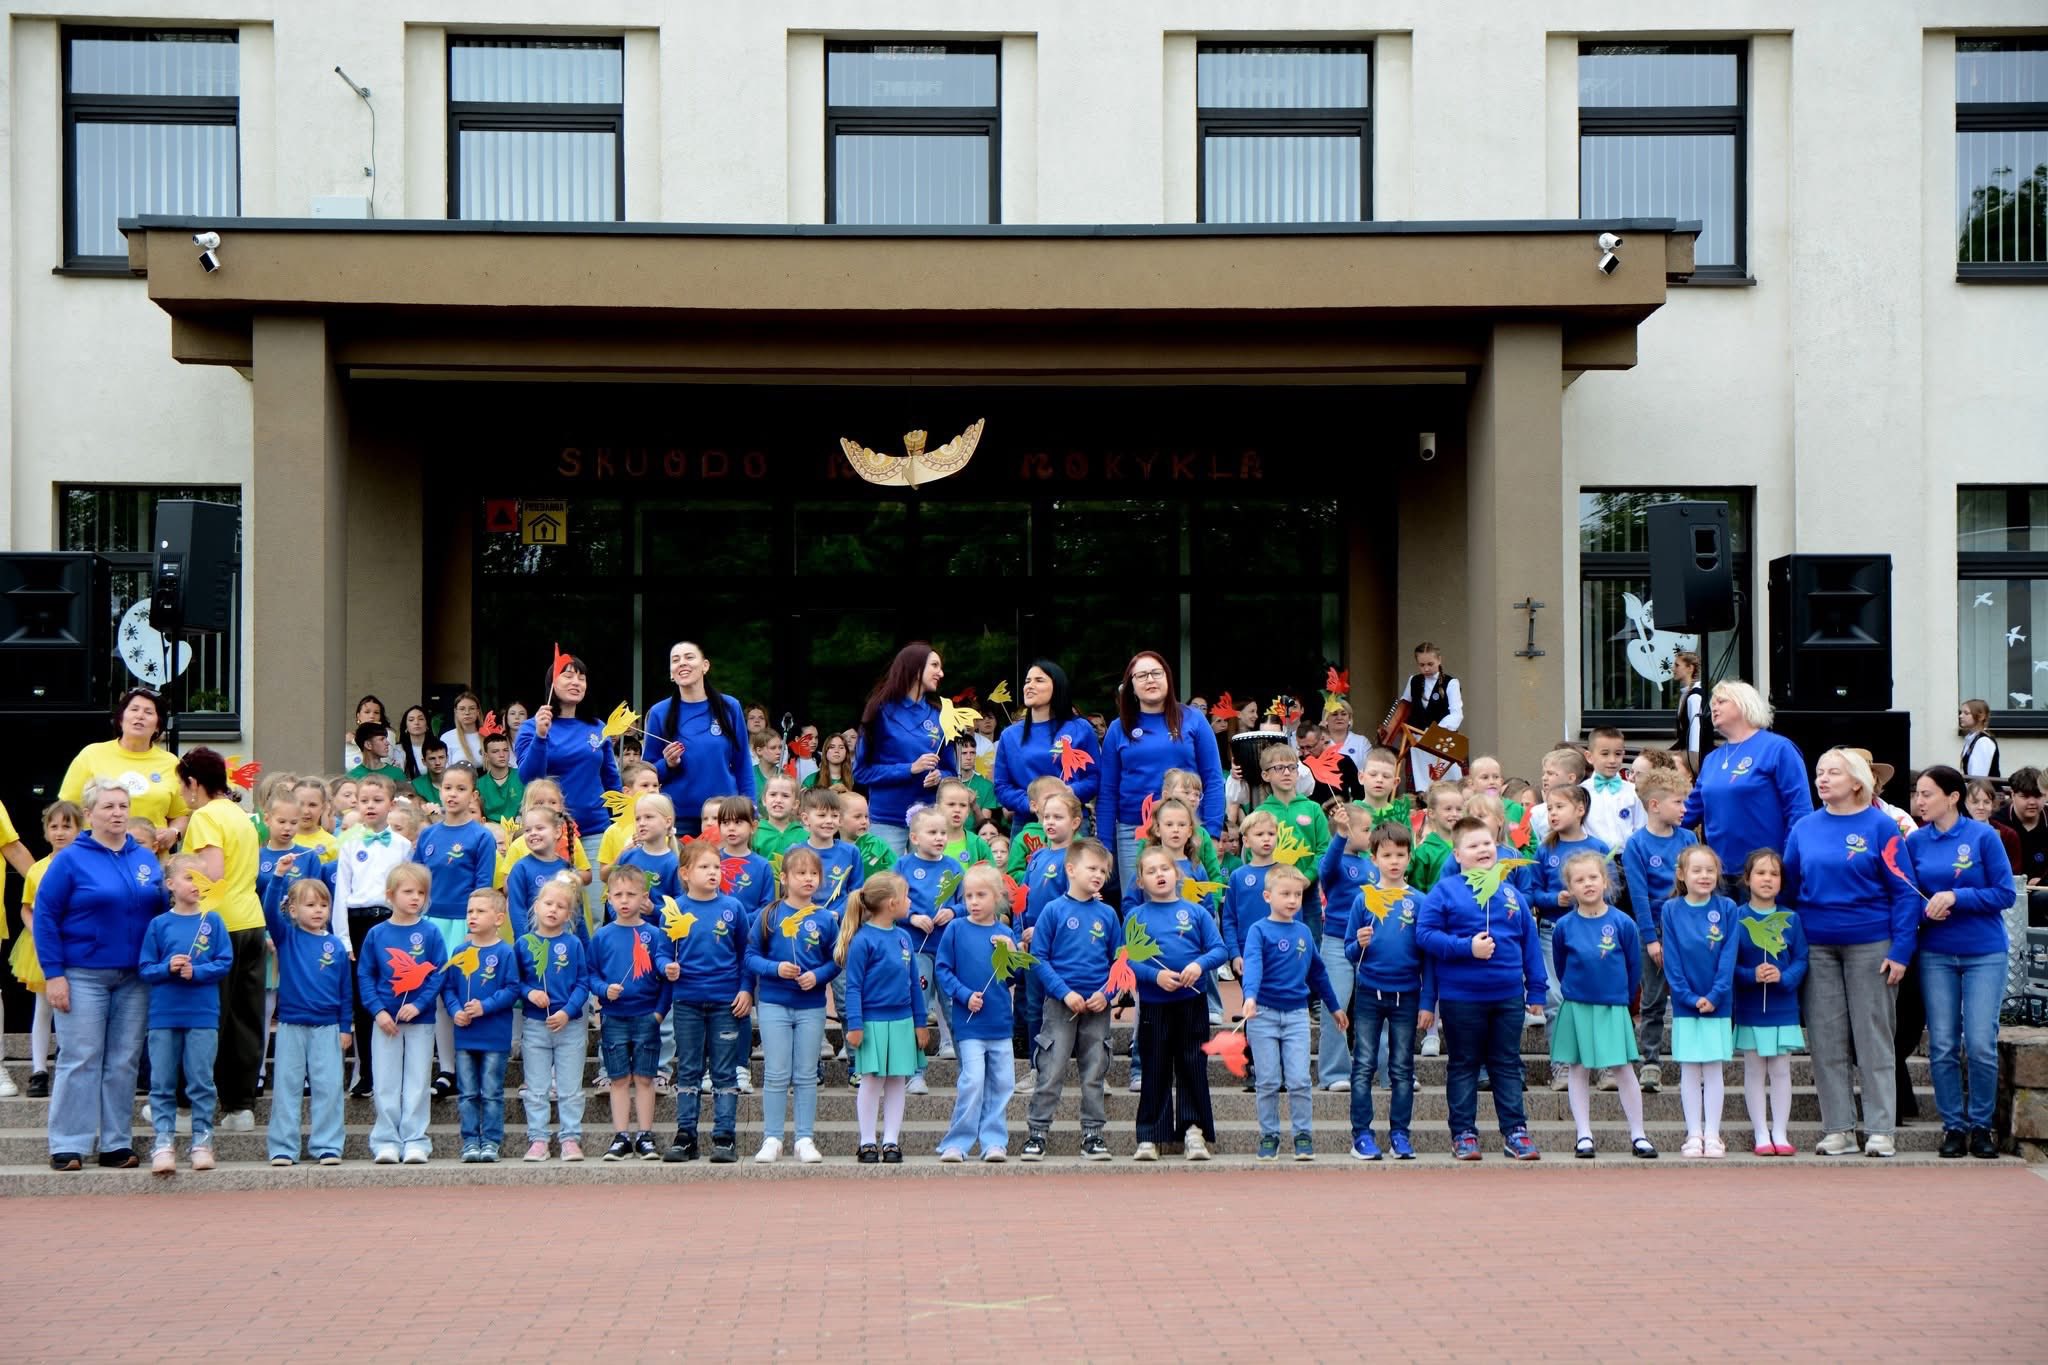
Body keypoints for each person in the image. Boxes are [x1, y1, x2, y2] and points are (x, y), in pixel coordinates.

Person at [1780, 747, 1920, 1159]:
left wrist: (1901, 950)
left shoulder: (1882, 827)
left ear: (1857, 781)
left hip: (1872, 943)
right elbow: (1788, 890)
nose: (1822, 779)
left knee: (1874, 1036)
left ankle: (1880, 1129)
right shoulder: (1804, 828)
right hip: (1818, 944)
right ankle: (1838, 1128)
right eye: (1819, 772)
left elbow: (1906, 893)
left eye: (1833, 773)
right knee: (1825, 1039)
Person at [36, 777, 165, 1170]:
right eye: (108, 807)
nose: (117, 813)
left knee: (124, 1059)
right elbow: (45, 917)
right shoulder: (71, 859)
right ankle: (68, 1143)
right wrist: (54, 974)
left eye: (123, 806)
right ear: (89, 814)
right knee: (81, 1057)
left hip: (134, 977)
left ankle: (115, 1143)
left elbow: (158, 911)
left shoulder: (143, 858)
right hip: (82, 974)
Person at [1416, 818, 1545, 1161]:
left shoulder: (1510, 892)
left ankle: (1515, 1131)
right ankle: (1463, 1132)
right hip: (1462, 997)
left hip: (1507, 996)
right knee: (1464, 1063)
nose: (1483, 850)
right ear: (1457, 855)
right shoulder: (1444, 892)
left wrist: (1536, 991)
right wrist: (1465, 948)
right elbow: (1424, 936)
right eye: (1473, 846)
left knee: (1506, 1062)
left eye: (1487, 844)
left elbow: (1530, 944)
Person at [1905, 764, 2015, 1159]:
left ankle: (1981, 1125)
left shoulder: (1984, 836)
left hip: (1984, 951)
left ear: (1952, 797)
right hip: (1935, 952)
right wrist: (1924, 911)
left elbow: (2005, 894)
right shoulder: (1915, 842)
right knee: (1943, 1044)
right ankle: (1953, 1126)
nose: (1919, 801)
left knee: (1981, 1043)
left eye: (1927, 794)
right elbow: (1908, 898)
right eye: (1917, 794)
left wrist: (1956, 897)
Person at [172, 747, 264, 1134]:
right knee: (245, 1017)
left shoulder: (206, 816)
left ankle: (186, 1108)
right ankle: (240, 1106)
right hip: (251, 921)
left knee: (206, 1017)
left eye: (183, 786)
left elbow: (211, 873)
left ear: (194, 783)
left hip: (216, 925)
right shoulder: (240, 815)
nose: (182, 794)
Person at [1548, 851, 1657, 1159]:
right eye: (1579, 880)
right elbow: (1560, 964)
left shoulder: (1623, 923)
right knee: (1578, 1069)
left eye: (1593, 877)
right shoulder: (1565, 927)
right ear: (1570, 887)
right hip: (1577, 1005)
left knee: (1623, 1068)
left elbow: (1634, 968)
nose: (1588, 884)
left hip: (1612, 1005)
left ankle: (1638, 1133)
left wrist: (1622, 999)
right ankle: (1583, 1134)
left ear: (1606, 880)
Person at [1126, 846, 1227, 1162]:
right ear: (1140, 881)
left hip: (1191, 1002)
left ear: (1177, 873)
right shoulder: (1135, 915)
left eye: (1164, 869)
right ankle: (1150, 1136)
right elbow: (1126, 958)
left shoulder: (1196, 912)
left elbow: (1218, 949)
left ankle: (1193, 1130)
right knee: (1154, 1068)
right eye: (1151, 871)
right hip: (1155, 1004)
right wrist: (1154, 977)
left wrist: (1198, 965)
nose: (1159, 875)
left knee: (1191, 1066)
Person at [1240, 863, 1345, 1162]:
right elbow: (1254, 966)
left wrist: (1335, 1006)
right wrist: (1250, 997)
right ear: (1267, 896)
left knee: (1299, 1079)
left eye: (1297, 894)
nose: (1292, 900)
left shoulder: (1304, 932)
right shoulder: (1258, 931)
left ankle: (1303, 1134)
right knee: (1269, 1080)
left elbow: (1318, 973)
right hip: (1263, 1015)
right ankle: (1269, 1135)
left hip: (1297, 1016)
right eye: (1285, 893)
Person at [1023, 840, 1119, 1161]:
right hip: (1060, 1005)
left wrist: (1106, 995)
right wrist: (1064, 992)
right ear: (1071, 869)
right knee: (1051, 1070)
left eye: (1103, 871)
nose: (1098, 875)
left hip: (1097, 1007)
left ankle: (1093, 1135)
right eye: (1092, 868)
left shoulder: (1107, 914)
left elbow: (1120, 961)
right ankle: (1037, 1133)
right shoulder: (1053, 911)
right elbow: (1039, 957)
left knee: (1094, 1072)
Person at [137, 853, 233, 1175]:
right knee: (162, 1081)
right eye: (190, 877)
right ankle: (163, 1142)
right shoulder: (158, 924)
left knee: (201, 1081)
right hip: (164, 1014)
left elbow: (224, 961)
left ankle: (202, 1141)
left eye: (203, 879)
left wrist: (199, 971)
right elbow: (146, 968)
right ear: (170, 884)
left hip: (203, 1014)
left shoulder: (213, 921)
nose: (197, 884)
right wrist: (168, 967)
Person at [1099, 651, 1226, 890]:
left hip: (1186, 829)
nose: (1150, 680)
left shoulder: (1193, 720)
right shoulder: (1118, 728)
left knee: (1191, 901)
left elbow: (1213, 779)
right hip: (1132, 830)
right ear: (1131, 687)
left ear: (1167, 678)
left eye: (1156, 673)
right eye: (1141, 675)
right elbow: (1107, 791)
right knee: (1137, 906)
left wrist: (1212, 831)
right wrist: (1105, 845)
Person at [515, 653, 623, 925]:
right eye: (568, 674)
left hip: (595, 830)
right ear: (552, 682)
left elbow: (611, 778)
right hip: (551, 836)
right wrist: (541, 736)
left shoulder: (598, 728)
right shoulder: (532, 727)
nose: (576, 681)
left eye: (581, 676)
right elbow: (529, 776)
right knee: (553, 912)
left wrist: (621, 822)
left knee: (597, 915)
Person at [745, 844, 836, 1165]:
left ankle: (804, 1138)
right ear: (784, 878)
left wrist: (818, 976)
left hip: (811, 1005)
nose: (808, 879)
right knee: (776, 1072)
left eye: (814, 874)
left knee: (806, 1074)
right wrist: (775, 969)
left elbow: (836, 959)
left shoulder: (825, 918)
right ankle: (772, 1137)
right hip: (773, 1003)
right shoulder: (768, 915)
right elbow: (751, 957)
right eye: (800, 873)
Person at [663, 845, 752, 1165]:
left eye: (717, 867)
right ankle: (686, 1136)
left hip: (725, 1002)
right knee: (688, 1068)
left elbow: (746, 954)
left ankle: (724, 1136)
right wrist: (665, 966)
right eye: (704, 867)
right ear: (685, 873)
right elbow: (662, 950)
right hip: (686, 1000)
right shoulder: (674, 908)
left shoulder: (733, 908)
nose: (713, 872)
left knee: (724, 1071)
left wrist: (746, 989)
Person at [411, 762, 498, 1094]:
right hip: (431, 924)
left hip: (464, 923)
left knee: (461, 995)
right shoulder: (429, 835)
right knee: (435, 996)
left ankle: (469, 1064)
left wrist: (473, 931)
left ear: (473, 794)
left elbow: (482, 886)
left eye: (461, 789)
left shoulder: (480, 836)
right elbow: (416, 880)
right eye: (448, 788)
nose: (453, 794)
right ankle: (446, 1069)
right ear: (439, 791)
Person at [1345, 822, 1428, 1160]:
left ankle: (1400, 1134)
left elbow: (1427, 955)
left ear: (1409, 857)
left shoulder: (1420, 901)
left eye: (1400, 855)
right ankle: (1362, 1135)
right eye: (1386, 855)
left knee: (1402, 1068)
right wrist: (1358, 943)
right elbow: (1349, 949)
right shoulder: (1364, 898)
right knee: (1363, 1064)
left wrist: (1428, 1000)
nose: (1394, 861)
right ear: (1374, 857)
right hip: (1368, 992)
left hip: (1407, 993)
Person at [261, 877, 353, 1168]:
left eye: (323, 905)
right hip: (291, 1025)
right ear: (293, 910)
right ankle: (283, 1147)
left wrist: (345, 1026)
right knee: (287, 1087)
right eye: (310, 904)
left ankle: (328, 1145)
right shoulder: (287, 937)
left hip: (327, 1027)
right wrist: (277, 878)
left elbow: (345, 990)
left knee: (329, 1088)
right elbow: (268, 911)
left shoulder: (336, 946)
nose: (318, 910)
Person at [838, 872, 929, 1164]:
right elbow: (853, 986)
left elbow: (914, 983)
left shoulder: (903, 938)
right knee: (872, 1080)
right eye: (906, 897)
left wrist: (920, 1022)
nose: (910, 902)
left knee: (896, 1081)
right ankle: (866, 1141)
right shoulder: (863, 940)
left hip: (902, 1021)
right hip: (872, 1022)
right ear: (892, 903)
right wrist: (855, 1023)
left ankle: (891, 1141)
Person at [1681, 680, 1813, 879]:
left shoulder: (1778, 748)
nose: (1713, 707)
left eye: (1721, 701)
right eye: (1712, 704)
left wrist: (1787, 863)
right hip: (1718, 874)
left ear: (1744, 704)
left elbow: (1800, 811)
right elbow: (1689, 812)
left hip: (1765, 873)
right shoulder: (1712, 759)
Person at [933, 863, 1020, 1162]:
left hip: (999, 1023)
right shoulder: (956, 929)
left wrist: (1011, 950)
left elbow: (1013, 977)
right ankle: (956, 1142)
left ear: (996, 897)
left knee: (1004, 1082)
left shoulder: (1005, 932)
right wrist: (964, 995)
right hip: (969, 1023)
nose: (973, 901)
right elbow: (942, 969)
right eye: (968, 895)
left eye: (980, 895)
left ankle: (994, 1140)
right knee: (972, 1081)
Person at [358, 863, 442, 1164]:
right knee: (385, 1081)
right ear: (390, 895)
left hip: (420, 1021)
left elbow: (437, 974)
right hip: (386, 1022)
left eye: (421, 892)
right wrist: (378, 1011)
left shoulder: (430, 932)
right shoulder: (377, 934)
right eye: (408, 892)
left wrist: (418, 1004)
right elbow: (366, 975)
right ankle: (386, 1140)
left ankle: (416, 1139)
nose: (415, 898)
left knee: (418, 1081)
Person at [1661, 845, 1739, 1158]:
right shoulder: (1671, 909)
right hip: (1685, 1004)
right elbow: (1672, 959)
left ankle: (1713, 1133)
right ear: (1682, 874)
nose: (1704, 876)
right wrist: (1688, 997)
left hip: (1718, 1003)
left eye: (1710, 870)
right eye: (1697, 870)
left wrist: (1716, 994)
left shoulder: (1728, 907)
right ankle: (1694, 1133)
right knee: (1690, 1069)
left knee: (1714, 1069)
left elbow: (1728, 956)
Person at [1622, 767, 1696, 1093]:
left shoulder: (1688, 839)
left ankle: (1691, 1057)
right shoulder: (1636, 845)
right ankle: (1650, 1060)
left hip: (1685, 930)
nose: (1685, 809)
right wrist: (1651, 939)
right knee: (1652, 1000)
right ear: (1654, 805)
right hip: (1652, 930)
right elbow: (1638, 896)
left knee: (1687, 995)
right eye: (1679, 802)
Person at [590, 866, 672, 1162]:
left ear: (644, 897)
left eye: (631, 894)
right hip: (614, 1016)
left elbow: (665, 982)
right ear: (609, 898)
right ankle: (622, 1135)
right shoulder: (602, 936)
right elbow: (591, 973)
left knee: (646, 1077)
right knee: (619, 1078)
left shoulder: (654, 935)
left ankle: (646, 1134)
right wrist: (603, 989)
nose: (624, 901)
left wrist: (660, 1014)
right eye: (618, 895)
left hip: (646, 1016)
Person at [1732, 850, 1807, 1158]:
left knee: (1780, 1069)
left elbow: (1802, 958)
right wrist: (1751, 975)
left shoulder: (1791, 918)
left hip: (1782, 1005)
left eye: (1774, 874)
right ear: (1747, 879)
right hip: (1751, 1005)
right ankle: (1761, 1132)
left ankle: (1780, 1131)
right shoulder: (1735, 917)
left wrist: (1784, 976)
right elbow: (1728, 962)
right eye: (1760, 873)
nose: (1767, 879)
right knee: (1753, 1069)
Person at [516, 874, 593, 1162]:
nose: (553, 910)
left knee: (570, 1087)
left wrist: (567, 1011)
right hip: (536, 1025)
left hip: (569, 1025)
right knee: (536, 1087)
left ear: (570, 914)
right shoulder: (524, 944)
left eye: (561, 906)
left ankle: (570, 1137)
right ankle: (538, 1139)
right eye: (548, 903)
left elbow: (582, 983)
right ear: (536, 906)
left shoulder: (573, 944)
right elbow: (516, 981)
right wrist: (530, 993)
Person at [439, 887, 519, 1163]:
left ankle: (492, 1141)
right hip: (465, 1035)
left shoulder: (505, 952)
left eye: (480, 911)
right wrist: (455, 1010)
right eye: (470, 911)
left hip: (494, 1036)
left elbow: (512, 989)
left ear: (498, 918)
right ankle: (470, 1140)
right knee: (468, 1092)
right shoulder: (460, 951)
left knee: (492, 1092)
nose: (472, 916)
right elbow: (448, 988)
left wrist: (486, 1006)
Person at [58, 686, 190, 852]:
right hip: (98, 855)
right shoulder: (91, 754)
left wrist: (174, 832)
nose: (140, 716)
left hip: (150, 860)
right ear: (121, 719)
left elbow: (180, 814)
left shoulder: (170, 762)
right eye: (134, 709)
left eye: (148, 712)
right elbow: (67, 809)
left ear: (158, 726)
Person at [854, 643, 953, 857]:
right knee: (886, 887)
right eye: (935, 666)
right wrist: (909, 768)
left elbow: (951, 772)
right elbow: (861, 772)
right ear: (916, 668)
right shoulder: (880, 711)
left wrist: (940, 777)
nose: (941, 673)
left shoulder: (941, 716)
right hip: (887, 821)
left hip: (928, 822)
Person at [15, 799, 83, 1098]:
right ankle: (39, 1069)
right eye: (53, 826)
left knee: (79, 1008)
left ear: (80, 830)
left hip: (78, 944)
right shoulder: (37, 870)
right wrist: (39, 931)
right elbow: (26, 908)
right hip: (43, 947)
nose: (59, 832)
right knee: (44, 1007)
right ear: (45, 832)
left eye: (67, 826)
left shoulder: (87, 866)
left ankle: (73, 1066)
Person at [896, 807, 965, 1085]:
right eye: (932, 833)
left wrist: (954, 913)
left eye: (943, 833)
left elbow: (967, 903)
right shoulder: (903, 867)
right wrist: (912, 917)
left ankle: (967, 1070)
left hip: (948, 950)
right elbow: (891, 903)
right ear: (914, 837)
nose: (939, 838)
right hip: (916, 948)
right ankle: (915, 1072)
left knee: (953, 1006)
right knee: (919, 1007)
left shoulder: (953, 867)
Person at [992, 660, 1103, 831]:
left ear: (1057, 686)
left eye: (1039, 680)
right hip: (1026, 824)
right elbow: (1002, 786)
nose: (1030, 686)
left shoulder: (1080, 728)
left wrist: (1068, 792)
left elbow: (1094, 778)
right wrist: (1031, 804)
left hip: (1071, 821)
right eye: (1027, 681)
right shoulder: (1010, 735)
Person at [1395, 642, 1464, 790]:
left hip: (1441, 739)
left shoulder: (1451, 683)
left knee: (1449, 780)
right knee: (1421, 782)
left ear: (1439, 660)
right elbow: (1404, 706)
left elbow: (1457, 713)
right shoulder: (1414, 681)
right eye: (1422, 665)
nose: (1426, 668)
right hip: (1417, 740)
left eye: (1430, 664)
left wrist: (1435, 731)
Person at [1581, 727, 1645, 848]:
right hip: (1592, 859)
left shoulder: (1633, 791)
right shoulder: (1581, 793)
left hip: (1626, 858)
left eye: (1618, 754)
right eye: (1605, 754)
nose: (1612, 760)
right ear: (1589, 757)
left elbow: (1640, 828)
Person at [476, 730, 525, 823]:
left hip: (520, 828)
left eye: (505, 750)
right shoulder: (479, 785)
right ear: (486, 756)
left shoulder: (522, 776)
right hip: (491, 831)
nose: (502, 755)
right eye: (495, 751)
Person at [1671, 651, 1707, 773]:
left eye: (1677, 665)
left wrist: (1693, 764)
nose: (1672, 669)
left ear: (1690, 668)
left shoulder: (1694, 696)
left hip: (1693, 757)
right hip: (1685, 752)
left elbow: (1695, 732)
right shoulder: (1686, 694)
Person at [441, 690, 487, 769]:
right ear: (456, 712)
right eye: (462, 709)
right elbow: (444, 768)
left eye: (472, 708)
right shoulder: (447, 737)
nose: (467, 713)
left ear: (478, 711)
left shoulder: (487, 734)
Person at [342, 694, 389, 772]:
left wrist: (354, 741)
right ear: (358, 716)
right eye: (367, 712)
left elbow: (385, 761)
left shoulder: (387, 734)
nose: (372, 716)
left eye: (376, 713)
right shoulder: (347, 739)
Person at [1322, 697, 1371, 769]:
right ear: (1326, 719)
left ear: (1350, 719)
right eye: (1334, 714)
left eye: (1343, 714)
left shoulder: (1362, 742)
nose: (1339, 717)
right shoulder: (1318, 742)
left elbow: (1371, 769)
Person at [1958, 700, 2000, 778]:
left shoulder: (1983, 741)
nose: (1960, 716)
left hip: (1983, 789)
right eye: (1961, 712)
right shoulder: (1972, 739)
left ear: (1981, 717)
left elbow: (1978, 777)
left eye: (1966, 713)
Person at [395, 705, 433, 783]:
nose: (416, 722)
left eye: (421, 719)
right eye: (411, 720)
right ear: (406, 727)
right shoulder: (398, 749)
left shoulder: (436, 747)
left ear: (427, 725)